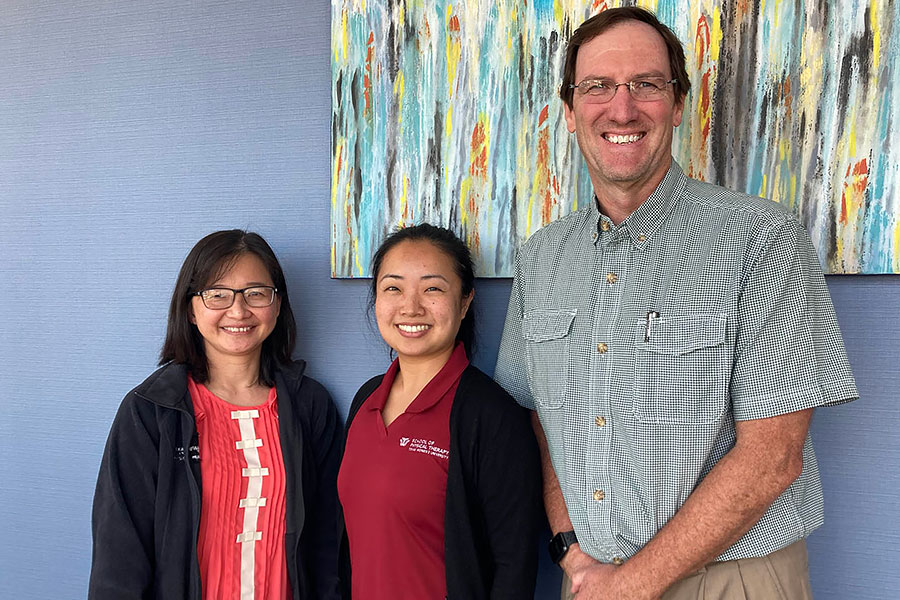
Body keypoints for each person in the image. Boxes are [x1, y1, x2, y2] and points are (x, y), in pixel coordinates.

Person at [494, 7, 858, 600]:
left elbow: (774, 458)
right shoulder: (541, 259)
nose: (622, 109)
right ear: (569, 110)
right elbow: (538, 420)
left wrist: (630, 585)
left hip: (733, 579)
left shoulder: (761, 239)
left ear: (679, 103)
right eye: (598, 86)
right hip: (589, 580)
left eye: (646, 84)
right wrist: (569, 549)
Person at [89, 230, 343, 600]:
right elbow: (119, 558)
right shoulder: (151, 411)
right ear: (190, 309)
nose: (238, 311)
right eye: (217, 294)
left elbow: (327, 542)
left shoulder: (310, 405)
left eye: (256, 293)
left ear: (277, 304)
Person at [338, 223, 542, 599]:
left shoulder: (493, 417)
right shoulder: (365, 400)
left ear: (464, 302)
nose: (411, 307)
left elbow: (515, 565)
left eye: (432, 288)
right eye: (393, 288)